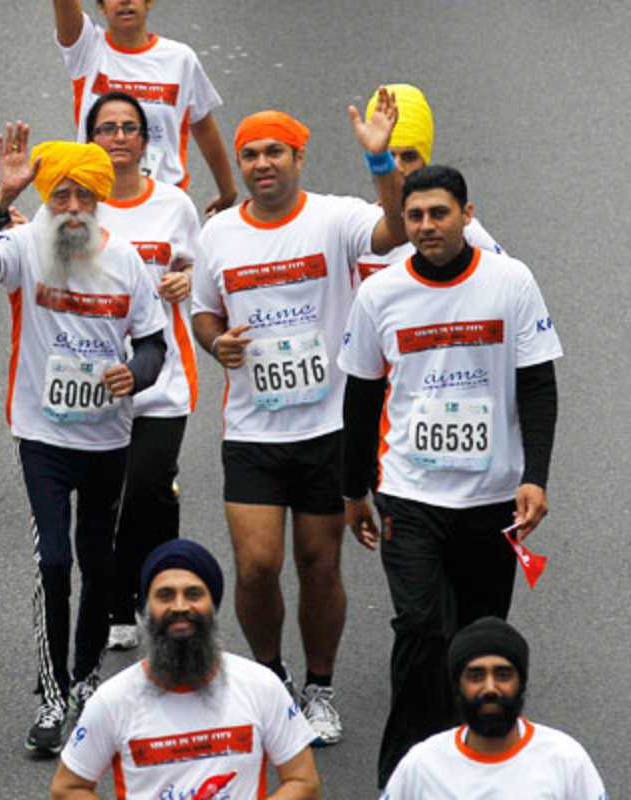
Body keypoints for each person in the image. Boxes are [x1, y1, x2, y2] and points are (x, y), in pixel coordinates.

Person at [190, 96, 409, 747]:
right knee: (256, 567)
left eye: (273, 152)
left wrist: (379, 155)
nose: (261, 164)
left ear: (297, 159)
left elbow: (395, 230)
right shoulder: (219, 233)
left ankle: (320, 687)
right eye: (250, 154)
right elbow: (205, 310)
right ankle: (271, 679)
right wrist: (215, 343)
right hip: (254, 430)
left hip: (328, 429)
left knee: (319, 564)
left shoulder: (334, 218)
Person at [338, 165, 562, 786]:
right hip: (410, 493)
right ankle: (404, 775)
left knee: (479, 637)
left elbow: (537, 385)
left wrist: (535, 476)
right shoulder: (381, 292)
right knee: (419, 629)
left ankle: (473, 769)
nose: (427, 227)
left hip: (493, 499)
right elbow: (360, 399)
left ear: (467, 214)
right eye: (415, 217)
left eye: (439, 214)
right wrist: (353, 488)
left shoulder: (509, 281)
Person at [0, 125, 168, 754]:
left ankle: (85, 675)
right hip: (41, 432)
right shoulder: (24, 245)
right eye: (61, 196)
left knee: (99, 564)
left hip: (106, 436)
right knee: (53, 559)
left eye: (83, 197)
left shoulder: (124, 260)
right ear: (47, 199)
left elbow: (152, 341)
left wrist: (138, 373)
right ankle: (50, 692)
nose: (71, 208)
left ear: (100, 202)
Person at [51, 539, 319, 799]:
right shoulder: (113, 700)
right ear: (146, 610)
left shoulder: (261, 686)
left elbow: (303, 782)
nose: (180, 607)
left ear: (212, 605)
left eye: (193, 594)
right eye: (165, 595)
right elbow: (68, 789)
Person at [84, 91, 202, 651]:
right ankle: (114, 605)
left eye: (130, 128)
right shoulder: (79, 203)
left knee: (150, 488)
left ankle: (158, 593)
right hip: (95, 379)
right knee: (111, 496)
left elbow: (201, 271)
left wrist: (188, 282)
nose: (119, 137)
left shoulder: (174, 205)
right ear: (92, 140)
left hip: (163, 375)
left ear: (146, 141)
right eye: (107, 128)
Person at [382, 617, 606, 798]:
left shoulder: (566, 761)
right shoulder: (422, 767)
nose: (490, 688)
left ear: (521, 683)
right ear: (457, 686)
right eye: (475, 675)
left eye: (503, 675)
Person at [52, 0, 237, 214]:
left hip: (163, 204)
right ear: (101, 7)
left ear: (149, 3)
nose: (125, 1)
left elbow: (204, 127)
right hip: (99, 202)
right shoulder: (87, 48)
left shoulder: (180, 59)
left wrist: (228, 190)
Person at [353, 84, 503, 282]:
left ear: (425, 161)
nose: (397, 167)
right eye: (388, 157)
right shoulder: (357, 231)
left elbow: (510, 288)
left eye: (408, 157)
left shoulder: (464, 231)